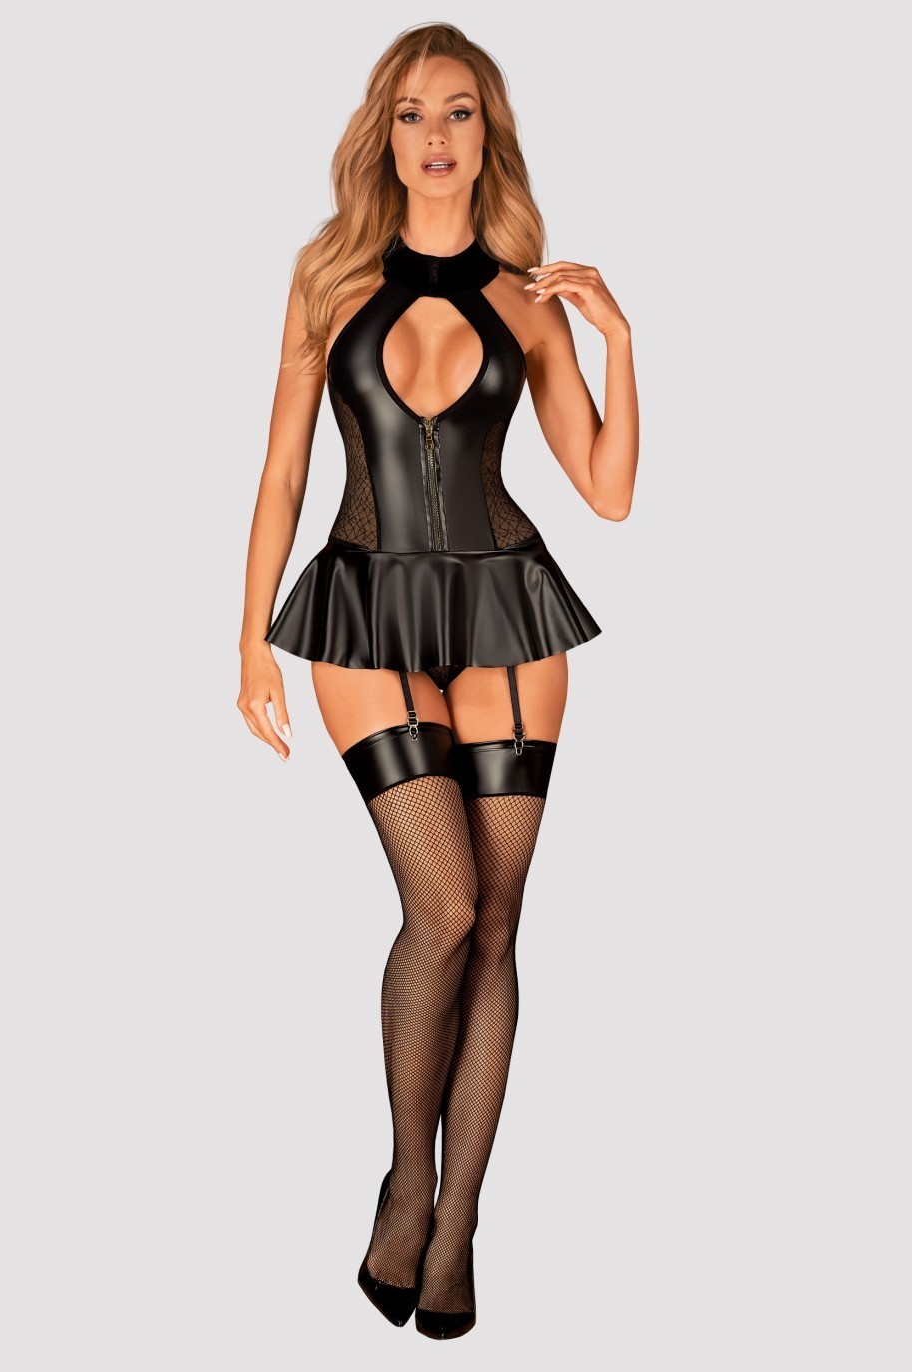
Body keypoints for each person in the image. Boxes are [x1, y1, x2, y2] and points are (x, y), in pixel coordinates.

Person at [236, 22, 639, 1340]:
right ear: (384, 132)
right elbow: (285, 468)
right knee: (446, 907)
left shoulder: (527, 295)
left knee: (499, 929)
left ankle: (457, 1221)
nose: (435, 137)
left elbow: (608, 491)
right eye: (411, 113)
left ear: (489, 130)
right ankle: (406, 1180)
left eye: (459, 112)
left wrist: (617, 341)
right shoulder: (329, 275)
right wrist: (249, 638)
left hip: (508, 610)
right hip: (363, 605)